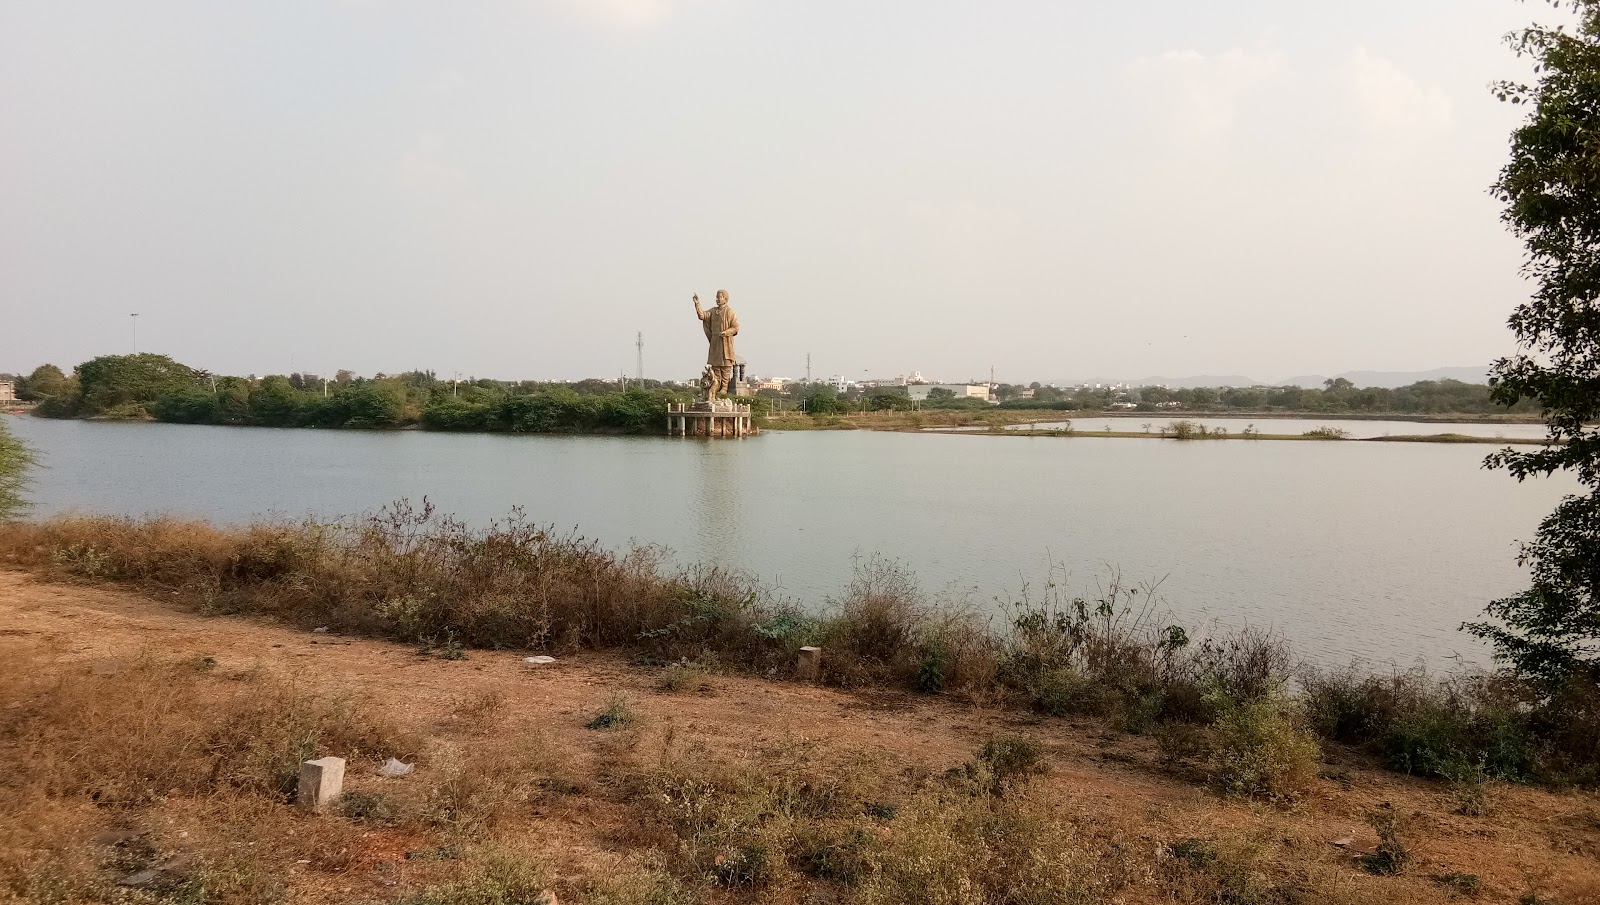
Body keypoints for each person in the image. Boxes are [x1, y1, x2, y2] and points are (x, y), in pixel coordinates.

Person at [693, 290, 738, 399]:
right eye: (717, 297)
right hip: (715, 342)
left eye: (720, 297)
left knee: (726, 365)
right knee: (715, 367)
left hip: (726, 342)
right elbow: (702, 316)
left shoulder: (730, 312)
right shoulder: (713, 311)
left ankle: (724, 388)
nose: (717, 299)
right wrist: (697, 303)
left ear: (725, 299)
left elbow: (735, 327)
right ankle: (716, 388)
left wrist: (726, 332)